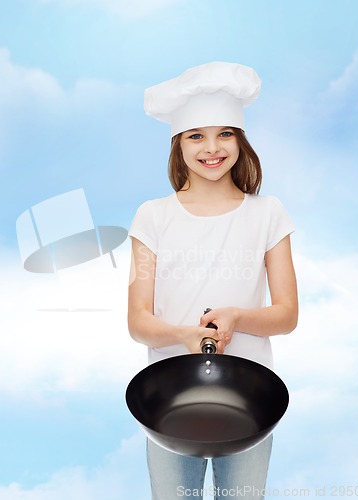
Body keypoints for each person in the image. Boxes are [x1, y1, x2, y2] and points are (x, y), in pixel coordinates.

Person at [127, 62, 298, 499]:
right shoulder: (153, 217)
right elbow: (138, 322)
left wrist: (237, 316)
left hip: (249, 398)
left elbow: (286, 315)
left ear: (240, 140)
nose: (211, 148)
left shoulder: (268, 214)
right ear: (177, 143)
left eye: (225, 133)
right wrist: (184, 334)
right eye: (196, 136)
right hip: (169, 396)